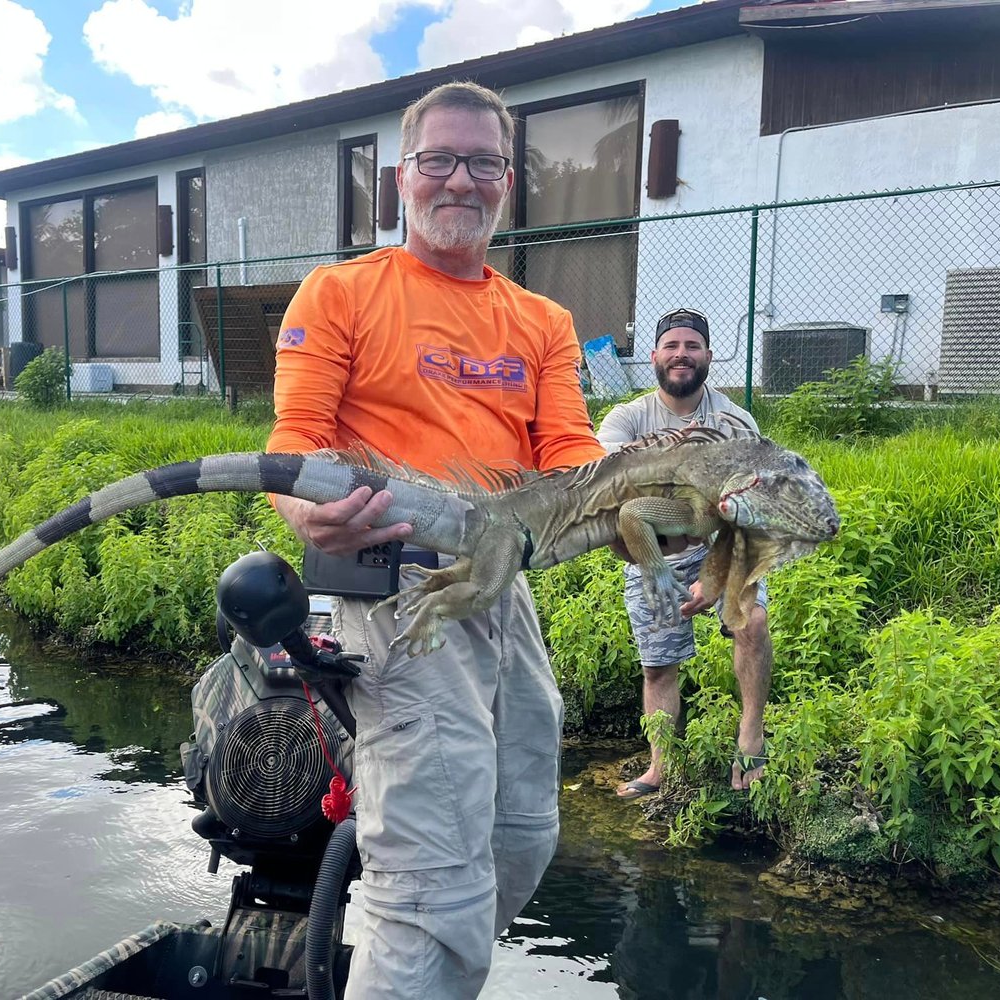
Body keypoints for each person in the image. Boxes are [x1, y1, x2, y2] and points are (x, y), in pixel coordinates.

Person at [267, 81, 605, 999]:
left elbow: (568, 452)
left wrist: (631, 494)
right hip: (394, 588)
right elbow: (293, 441)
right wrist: (306, 511)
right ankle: (413, 948)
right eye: (439, 161)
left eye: (484, 162)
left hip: (504, 584)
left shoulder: (543, 322)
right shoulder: (341, 292)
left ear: (508, 179)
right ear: (401, 177)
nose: (461, 180)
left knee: (519, 837)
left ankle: (412, 962)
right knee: (431, 887)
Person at [596, 307, 772, 801]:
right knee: (657, 665)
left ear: (709, 356)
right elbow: (608, 482)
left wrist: (715, 578)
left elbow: (750, 509)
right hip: (653, 552)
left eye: (692, 346)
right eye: (671, 346)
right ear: (653, 357)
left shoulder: (736, 421)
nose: (681, 354)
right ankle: (660, 767)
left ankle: (751, 736)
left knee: (751, 622)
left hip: (724, 543)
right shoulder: (625, 419)